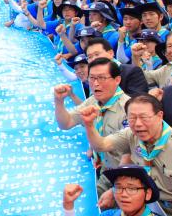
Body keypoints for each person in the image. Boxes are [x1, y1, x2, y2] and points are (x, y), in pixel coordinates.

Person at [54, 57, 128, 196]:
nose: (95, 84)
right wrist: (59, 101)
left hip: (125, 177)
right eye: (92, 78)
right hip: (104, 171)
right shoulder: (93, 100)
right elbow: (66, 123)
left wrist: (115, 190)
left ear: (117, 80)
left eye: (101, 78)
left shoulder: (127, 108)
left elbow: (129, 156)